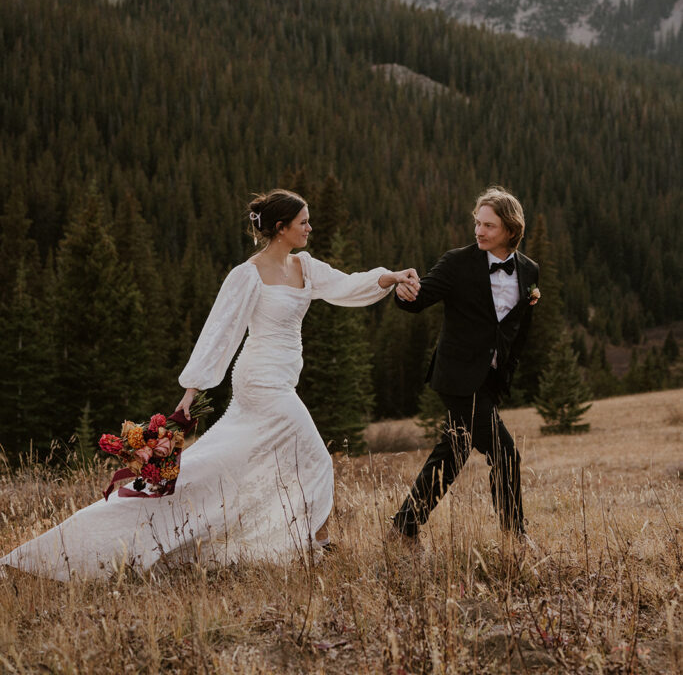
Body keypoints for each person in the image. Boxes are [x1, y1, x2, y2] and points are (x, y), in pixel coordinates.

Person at [1, 189, 419, 580]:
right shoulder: (247, 275)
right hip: (261, 382)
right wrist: (190, 394)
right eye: (304, 222)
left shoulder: (304, 267)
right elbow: (220, 333)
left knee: (216, 467)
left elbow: (346, 285)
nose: (310, 228)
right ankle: (320, 545)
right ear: (280, 228)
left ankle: (133, 533)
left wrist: (390, 276)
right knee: (316, 460)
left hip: (282, 381)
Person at [391, 186, 540, 543]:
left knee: (453, 452)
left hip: (488, 380)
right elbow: (420, 298)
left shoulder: (529, 271)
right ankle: (514, 536)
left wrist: (505, 373)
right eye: (477, 223)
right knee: (505, 453)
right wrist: (403, 291)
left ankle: (404, 526)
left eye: (488, 225)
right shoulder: (458, 262)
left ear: (511, 229)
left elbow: (519, 330)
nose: (479, 231)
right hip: (457, 376)